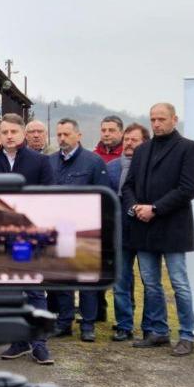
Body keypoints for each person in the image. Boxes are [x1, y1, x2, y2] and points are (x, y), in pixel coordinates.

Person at [123, 103, 194, 356]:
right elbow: (128, 186)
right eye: (153, 119)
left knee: (179, 283)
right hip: (144, 227)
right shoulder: (142, 150)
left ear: (174, 119)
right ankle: (158, 331)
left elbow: (188, 189)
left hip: (172, 227)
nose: (156, 124)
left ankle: (187, 335)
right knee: (151, 283)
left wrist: (155, 208)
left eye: (161, 119)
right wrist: (135, 207)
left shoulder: (189, 148)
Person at [0, 113, 55, 365]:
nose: (9, 136)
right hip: (3, 237)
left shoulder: (40, 162)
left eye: (13, 132)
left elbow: (49, 198)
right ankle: (19, 341)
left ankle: (39, 344)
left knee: (35, 291)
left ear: (23, 133)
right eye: (5, 132)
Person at [47, 118, 111, 343]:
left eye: (66, 134)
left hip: (86, 229)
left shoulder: (93, 162)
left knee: (86, 280)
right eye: (59, 135)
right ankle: (64, 322)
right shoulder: (50, 162)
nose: (62, 139)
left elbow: (105, 197)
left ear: (78, 135)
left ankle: (87, 324)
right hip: (60, 229)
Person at [107, 123, 151, 342]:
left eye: (135, 139)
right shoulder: (113, 167)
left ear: (146, 142)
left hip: (146, 231)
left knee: (150, 282)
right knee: (121, 281)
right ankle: (124, 325)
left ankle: (149, 326)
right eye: (127, 139)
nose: (129, 143)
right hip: (120, 232)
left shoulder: (152, 165)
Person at [93, 116, 124, 321]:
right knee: (97, 266)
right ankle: (98, 310)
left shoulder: (128, 156)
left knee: (121, 270)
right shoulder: (94, 156)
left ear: (121, 132)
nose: (107, 133)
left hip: (120, 220)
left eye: (111, 130)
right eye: (104, 130)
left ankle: (123, 316)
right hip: (97, 219)